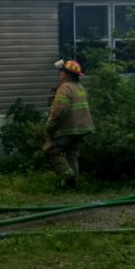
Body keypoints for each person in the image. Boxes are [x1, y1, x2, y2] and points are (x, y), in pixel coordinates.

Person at [43, 59, 94, 188]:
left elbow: (59, 110)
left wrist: (49, 126)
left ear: (67, 74)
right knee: (72, 155)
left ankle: (68, 176)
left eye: (61, 71)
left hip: (69, 128)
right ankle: (72, 184)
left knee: (51, 151)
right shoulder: (79, 87)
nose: (59, 73)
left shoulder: (64, 88)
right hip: (82, 128)